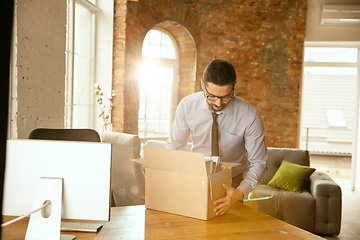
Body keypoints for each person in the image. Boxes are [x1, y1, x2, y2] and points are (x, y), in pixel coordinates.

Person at [166, 59, 268, 216]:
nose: (219, 103)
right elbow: (174, 147)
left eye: (226, 96)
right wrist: (164, 183)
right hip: (196, 178)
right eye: (212, 96)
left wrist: (240, 193)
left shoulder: (250, 116)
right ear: (202, 85)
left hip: (233, 184)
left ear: (234, 87)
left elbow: (259, 163)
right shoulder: (187, 106)